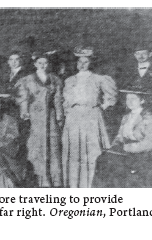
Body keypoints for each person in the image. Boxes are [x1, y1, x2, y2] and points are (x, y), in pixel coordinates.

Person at [62, 46, 117, 188]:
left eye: (85, 62)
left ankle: (89, 185)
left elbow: (111, 98)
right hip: (74, 118)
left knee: (91, 151)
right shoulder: (69, 80)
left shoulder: (100, 79)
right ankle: (74, 186)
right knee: (74, 151)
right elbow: (65, 102)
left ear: (91, 63)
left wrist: (100, 108)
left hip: (91, 117)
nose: (82, 64)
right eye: (79, 61)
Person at [92, 87, 152, 188]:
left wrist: (129, 148)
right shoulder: (126, 117)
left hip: (143, 153)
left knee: (117, 167)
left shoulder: (150, 118)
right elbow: (119, 137)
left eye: (133, 99)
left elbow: (150, 143)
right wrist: (112, 148)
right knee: (102, 159)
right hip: (125, 152)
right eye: (127, 99)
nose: (129, 102)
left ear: (142, 100)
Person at [16, 53, 64, 187]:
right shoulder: (27, 80)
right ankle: (38, 179)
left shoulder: (55, 79)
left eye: (45, 63)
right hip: (35, 117)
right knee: (36, 146)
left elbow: (58, 99)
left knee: (52, 146)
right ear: (35, 64)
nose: (43, 65)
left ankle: (53, 179)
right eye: (40, 63)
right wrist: (25, 113)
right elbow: (23, 99)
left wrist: (59, 115)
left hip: (50, 117)